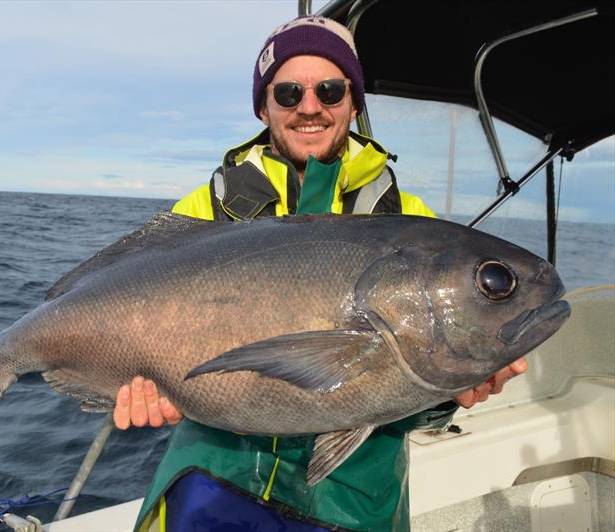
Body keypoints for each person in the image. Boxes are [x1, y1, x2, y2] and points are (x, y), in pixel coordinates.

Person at [114, 16, 528, 531]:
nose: (309, 107)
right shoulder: (205, 211)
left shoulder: (410, 221)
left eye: (330, 90)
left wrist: (450, 395)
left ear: (354, 103)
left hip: (351, 505)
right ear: (263, 107)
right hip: (211, 481)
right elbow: (129, 319)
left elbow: (405, 389)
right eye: (288, 93)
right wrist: (142, 391)